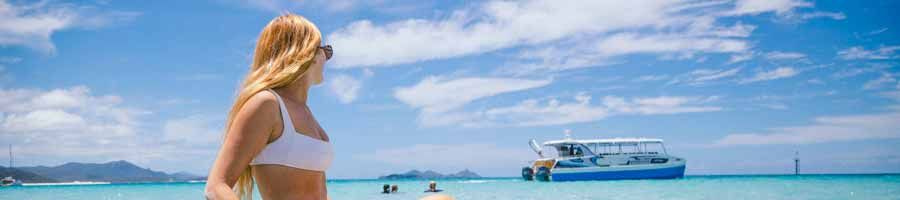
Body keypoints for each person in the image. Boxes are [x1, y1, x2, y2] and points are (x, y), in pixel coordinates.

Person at [205, 13, 335, 200]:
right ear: (307, 52)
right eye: (326, 50)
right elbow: (216, 186)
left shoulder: (305, 112)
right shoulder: (267, 104)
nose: (327, 58)